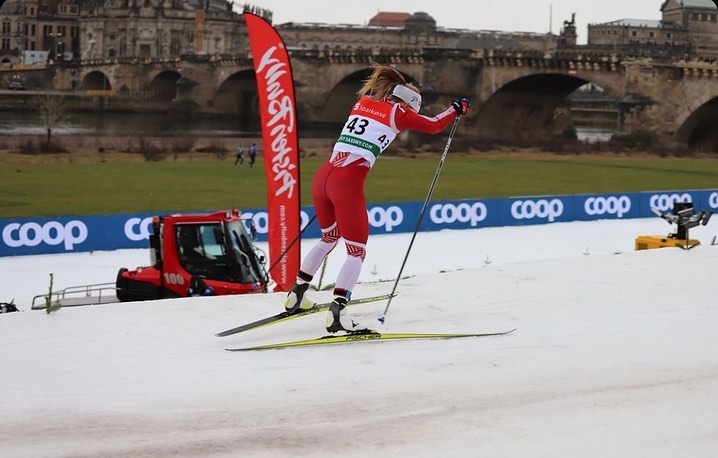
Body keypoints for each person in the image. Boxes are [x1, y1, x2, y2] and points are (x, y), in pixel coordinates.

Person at [283, 63, 470, 334]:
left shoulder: (363, 103)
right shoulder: (398, 112)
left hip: (323, 178)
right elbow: (432, 126)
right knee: (356, 251)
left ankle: (297, 294)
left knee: (328, 238)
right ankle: (338, 311)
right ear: (408, 104)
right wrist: (455, 109)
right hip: (345, 183)